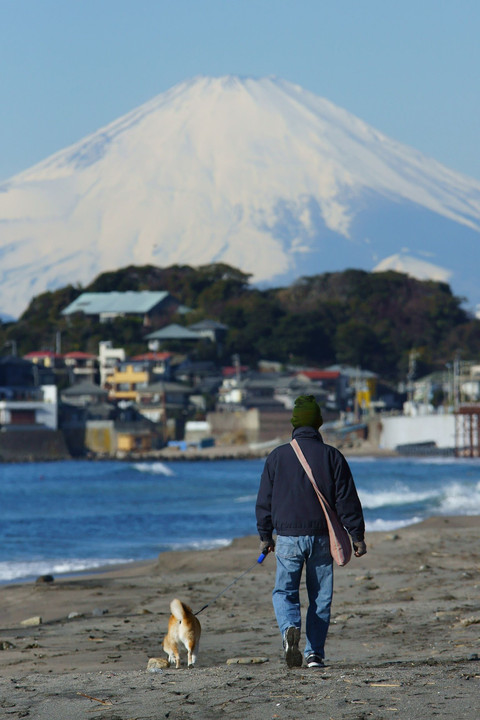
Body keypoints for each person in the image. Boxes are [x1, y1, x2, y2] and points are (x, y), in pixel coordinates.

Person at [255, 395, 366, 669]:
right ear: (318, 424)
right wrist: (357, 536)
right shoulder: (332, 456)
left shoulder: (277, 456)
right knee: (320, 596)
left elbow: (264, 500)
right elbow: (346, 500)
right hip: (321, 537)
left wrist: (265, 536)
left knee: (284, 592)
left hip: (288, 538)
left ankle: (289, 630)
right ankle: (314, 654)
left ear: (294, 424)